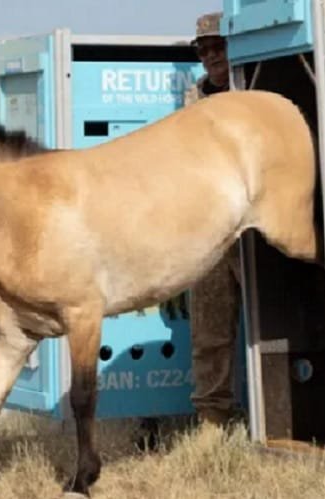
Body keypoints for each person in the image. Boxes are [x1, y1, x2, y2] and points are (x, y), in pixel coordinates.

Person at [185, 11, 242, 427]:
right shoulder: (194, 100)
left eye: (217, 46)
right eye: (203, 50)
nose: (211, 56)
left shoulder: (256, 86)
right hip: (211, 232)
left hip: (260, 228)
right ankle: (212, 420)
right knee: (209, 329)